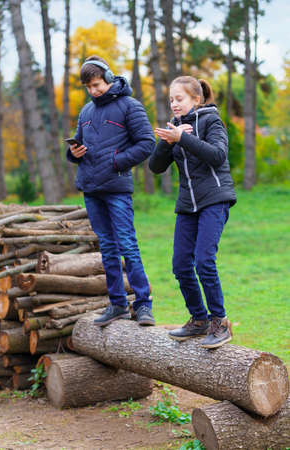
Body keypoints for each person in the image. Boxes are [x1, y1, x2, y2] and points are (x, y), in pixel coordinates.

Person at [67, 55, 155, 327]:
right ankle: (117, 304)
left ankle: (143, 305)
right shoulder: (86, 112)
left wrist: (117, 162)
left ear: (108, 77)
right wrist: (73, 153)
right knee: (107, 247)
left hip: (117, 188)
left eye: (96, 84)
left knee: (128, 245)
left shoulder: (130, 106)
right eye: (89, 87)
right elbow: (77, 146)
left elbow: (147, 143)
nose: (93, 91)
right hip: (91, 189)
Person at [149, 76, 236, 348]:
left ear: (196, 99)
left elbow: (218, 155)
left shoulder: (212, 121)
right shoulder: (175, 127)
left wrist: (183, 139)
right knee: (180, 265)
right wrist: (168, 141)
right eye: (171, 99)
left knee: (203, 261)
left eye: (179, 99)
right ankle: (198, 319)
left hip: (215, 199)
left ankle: (219, 322)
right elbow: (155, 167)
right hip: (188, 204)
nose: (174, 104)